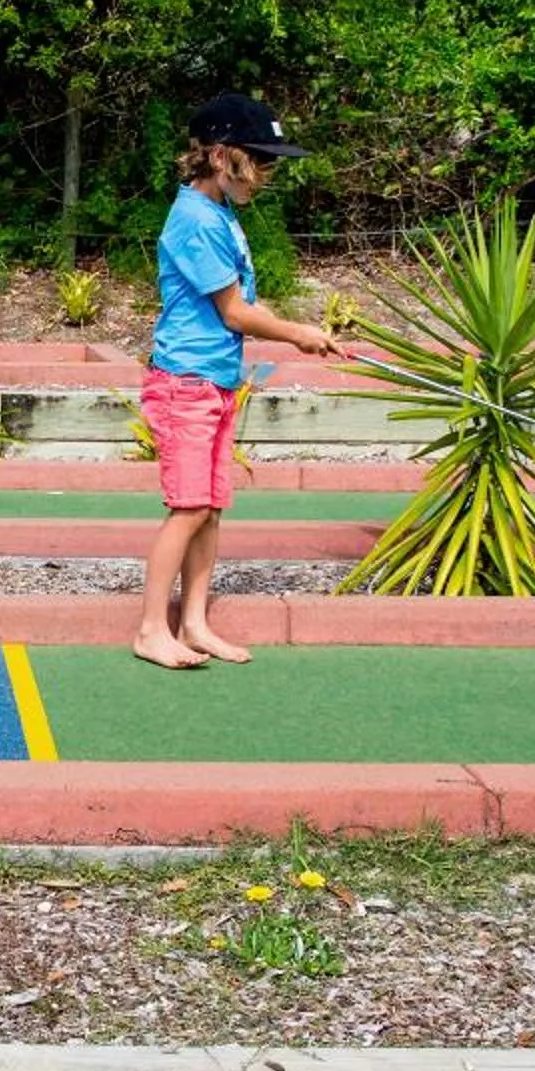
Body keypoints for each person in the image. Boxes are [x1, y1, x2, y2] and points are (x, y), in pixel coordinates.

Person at [133, 92, 342, 670]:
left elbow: (245, 302)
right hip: (185, 382)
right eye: (261, 160)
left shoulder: (221, 214)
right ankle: (151, 629)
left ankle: (194, 624)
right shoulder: (195, 220)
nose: (268, 173)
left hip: (215, 381)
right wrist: (294, 333)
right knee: (188, 508)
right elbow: (232, 313)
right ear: (222, 156)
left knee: (211, 508)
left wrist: (303, 331)